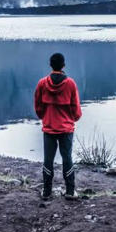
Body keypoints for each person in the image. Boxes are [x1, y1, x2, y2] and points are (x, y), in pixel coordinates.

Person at [34, 52, 82, 200]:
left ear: (50, 65)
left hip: (49, 127)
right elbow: (76, 110)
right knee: (67, 158)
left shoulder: (42, 83)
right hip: (66, 129)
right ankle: (70, 191)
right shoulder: (70, 84)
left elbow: (38, 107)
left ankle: (47, 191)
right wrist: (72, 119)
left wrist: (46, 117)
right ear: (63, 66)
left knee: (48, 159)